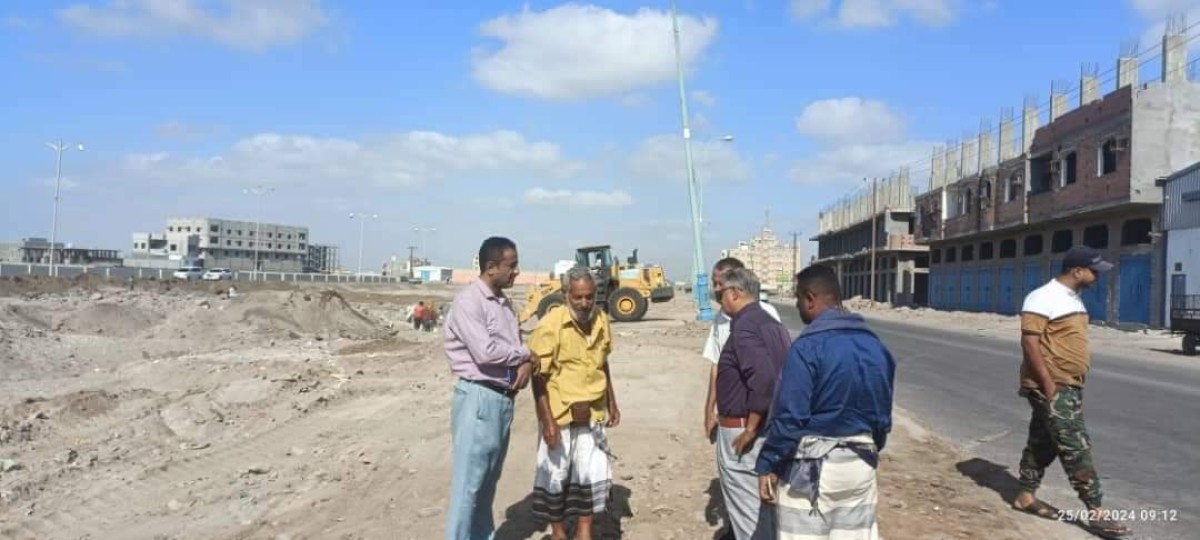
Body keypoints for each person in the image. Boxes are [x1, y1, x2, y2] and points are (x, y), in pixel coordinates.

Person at [755, 264, 895, 540]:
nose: (796, 306)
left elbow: (790, 418)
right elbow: (882, 416)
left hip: (813, 470)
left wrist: (768, 463)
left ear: (810, 298)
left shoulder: (807, 347)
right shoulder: (876, 346)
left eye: (797, 299)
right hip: (861, 466)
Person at [1011, 246, 1130, 537]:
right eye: (1093, 271)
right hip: (1052, 385)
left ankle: (1025, 495)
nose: (1096, 277)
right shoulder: (1043, 297)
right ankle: (1097, 511)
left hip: (1069, 384)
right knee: (1075, 444)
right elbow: (1030, 343)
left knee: (1044, 441)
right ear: (1076, 271)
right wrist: (1049, 386)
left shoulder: (1071, 299)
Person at [443, 236, 534, 540]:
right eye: (512, 265)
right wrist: (526, 357)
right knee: (469, 486)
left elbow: (517, 343)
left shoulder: (505, 304)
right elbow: (486, 352)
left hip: (501, 401)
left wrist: (524, 362)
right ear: (492, 266)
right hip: (479, 399)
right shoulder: (469, 302)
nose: (516, 272)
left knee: (486, 485)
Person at [529, 266, 620, 540]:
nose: (584, 303)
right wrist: (547, 421)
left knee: (591, 476)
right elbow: (538, 378)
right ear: (567, 294)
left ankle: (584, 529)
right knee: (555, 478)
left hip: (593, 414)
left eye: (589, 297)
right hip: (560, 416)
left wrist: (612, 402)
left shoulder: (601, 320)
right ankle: (558, 532)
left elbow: (603, 364)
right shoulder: (550, 325)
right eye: (578, 297)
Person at [713, 267, 791, 540]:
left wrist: (751, 428)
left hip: (744, 431)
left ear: (735, 293)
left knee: (748, 517)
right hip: (769, 429)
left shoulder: (746, 326)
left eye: (721, 292)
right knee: (765, 512)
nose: (719, 297)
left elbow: (764, 380)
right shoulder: (771, 324)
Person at [703, 257, 781, 441]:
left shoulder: (761, 318)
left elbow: (765, 375)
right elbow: (717, 367)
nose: (716, 289)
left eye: (720, 284)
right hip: (731, 422)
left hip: (753, 423)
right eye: (713, 283)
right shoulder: (720, 319)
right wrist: (709, 410)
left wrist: (751, 427)